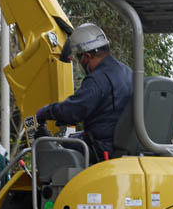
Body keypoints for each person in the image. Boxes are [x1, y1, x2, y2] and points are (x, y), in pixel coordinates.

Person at [36, 23, 132, 163]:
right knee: (73, 139)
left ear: (86, 56)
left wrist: (46, 112)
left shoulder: (97, 79)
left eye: (79, 59)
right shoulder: (128, 73)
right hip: (122, 144)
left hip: (103, 149)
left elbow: (74, 110)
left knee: (57, 154)